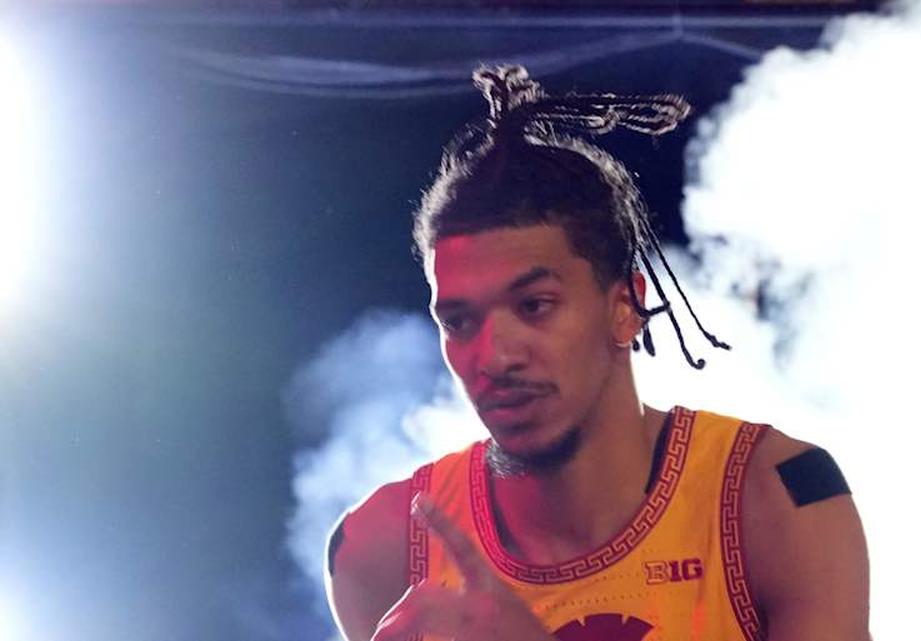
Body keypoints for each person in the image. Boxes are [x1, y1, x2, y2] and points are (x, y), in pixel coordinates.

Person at [325, 65, 870, 641]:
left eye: (534, 305)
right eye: (459, 321)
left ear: (626, 306)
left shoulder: (777, 495)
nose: (494, 355)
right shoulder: (379, 548)